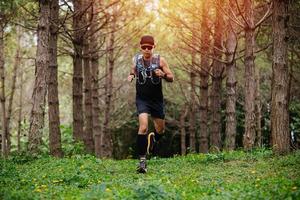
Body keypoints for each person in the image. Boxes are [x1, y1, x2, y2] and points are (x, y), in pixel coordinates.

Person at [127, 35, 174, 173]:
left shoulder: (160, 60)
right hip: (142, 99)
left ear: (154, 47)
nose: (147, 49)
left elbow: (171, 77)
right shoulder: (136, 59)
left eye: (149, 47)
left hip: (156, 100)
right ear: (140, 47)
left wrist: (163, 75)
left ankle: (153, 138)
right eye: (144, 47)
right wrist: (131, 75)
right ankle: (142, 163)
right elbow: (133, 70)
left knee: (160, 130)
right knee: (143, 127)